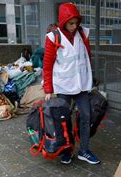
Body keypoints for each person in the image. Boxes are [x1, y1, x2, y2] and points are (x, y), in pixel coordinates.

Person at [42, 2, 100, 165]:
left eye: (76, 22)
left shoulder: (83, 34)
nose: (74, 26)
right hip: (63, 86)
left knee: (86, 116)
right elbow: (47, 65)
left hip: (81, 85)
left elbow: (87, 57)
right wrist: (48, 88)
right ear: (63, 22)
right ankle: (66, 150)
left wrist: (91, 80)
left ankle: (84, 150)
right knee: (63, 119)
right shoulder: (53, 37)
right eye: (71, 23)